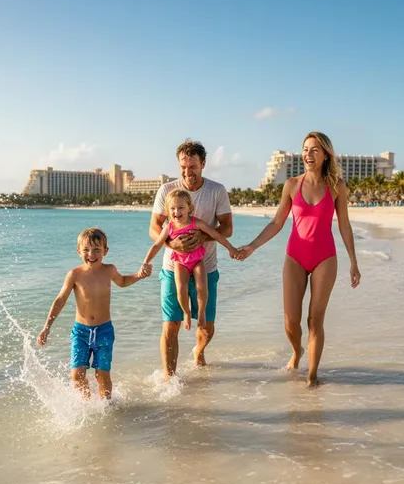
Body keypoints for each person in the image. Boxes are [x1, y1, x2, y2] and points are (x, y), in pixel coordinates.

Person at [236, 132, 361, 388]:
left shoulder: (337, 186)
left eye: (315, 149)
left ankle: (312, 376)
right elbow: (276, 223)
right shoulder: (292, 185)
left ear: (326, 154)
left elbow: (345, 226)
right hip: (295, 256)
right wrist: (252, 246)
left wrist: (353, 262)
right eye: (305, 149)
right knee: (291, 321)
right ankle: (297, 352)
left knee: (315, 319)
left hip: (325, 257)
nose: (308, 154)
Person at [149, 139, 233, 377]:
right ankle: (169, 378)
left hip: (206, 266)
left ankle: (199, 349)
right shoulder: (167, 190)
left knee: (207, 327)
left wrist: (202, 238)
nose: (188, 172)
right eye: (183, 167)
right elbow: (154, 228)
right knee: (170, 324)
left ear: (203, 164)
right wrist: (170, 243)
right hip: (172, 265)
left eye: (193, 166)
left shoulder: (216, 191)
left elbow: (227, 228)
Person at [36, 227, 149, 399]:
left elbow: (123, 281)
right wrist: (47, 327)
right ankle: (86, 406)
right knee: (77, 375)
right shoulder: (75, 274)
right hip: (81, 332)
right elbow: (60, 300)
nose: (91, 254)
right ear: (78, 251)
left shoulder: (109, 270)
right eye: (86, 250)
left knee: (102, 375)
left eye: (97, 250)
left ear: (105, 251)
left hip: (104, 331)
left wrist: (139, 275)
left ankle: (107, 407)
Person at [143, 189, 240, 331]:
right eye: (173, 209)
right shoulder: (169, 227)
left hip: (197, 261)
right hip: (180, 263)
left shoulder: (196, 223)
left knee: (202, 286)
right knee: (181, 288)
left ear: (189, 208)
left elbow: (216, 235)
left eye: (181, 207)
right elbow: (157, 245)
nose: (177, 212)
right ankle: (186, 312)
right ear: (168, 212)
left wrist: (232, 249)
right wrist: (146, 261)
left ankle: (201, 312)